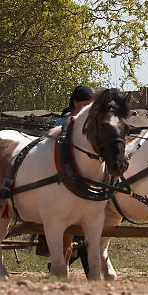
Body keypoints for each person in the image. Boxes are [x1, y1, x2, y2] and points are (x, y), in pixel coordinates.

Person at [36, 85, 94, 273]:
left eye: (90, 105)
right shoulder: (62, 124)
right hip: (60, 188)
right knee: (80, 239)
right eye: (85, 104)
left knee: (81, 238)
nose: (87, 109)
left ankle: (59, 268)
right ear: (75, 103)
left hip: (82, 187)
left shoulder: (89, 126)